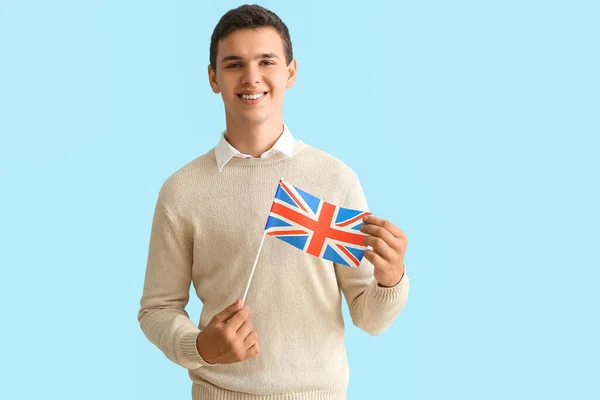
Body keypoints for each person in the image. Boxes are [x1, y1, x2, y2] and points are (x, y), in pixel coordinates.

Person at [137, 4, 410, 400]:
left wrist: (392, 278)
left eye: (266, 61)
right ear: (213, 78)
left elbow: (370, 318)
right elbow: (157, 310)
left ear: (290, 73)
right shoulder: (181, 191)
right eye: (234, 64)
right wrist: (198, 348)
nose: (251, 77)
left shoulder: (335, 178)